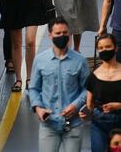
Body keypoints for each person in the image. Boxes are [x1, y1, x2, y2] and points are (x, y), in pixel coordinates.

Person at [29, 17, 90, 152]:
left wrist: (76, 105)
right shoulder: (40, 60)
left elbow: (87, 89)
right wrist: (38, 108)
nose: (62, 36)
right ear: (50, 35)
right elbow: (33, 88)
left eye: (65, 33)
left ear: (69, 34)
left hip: (73, 125)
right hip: (48, 125)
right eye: (58, 33)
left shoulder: (80, 61)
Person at [81, 34, 121, 152]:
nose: (104, 50)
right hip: (99, 121)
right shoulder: (94, 76)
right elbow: (90, 104)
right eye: (101, 48)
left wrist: (118, 105)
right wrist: (85, 112)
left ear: (116, 48)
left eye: (108, 47)